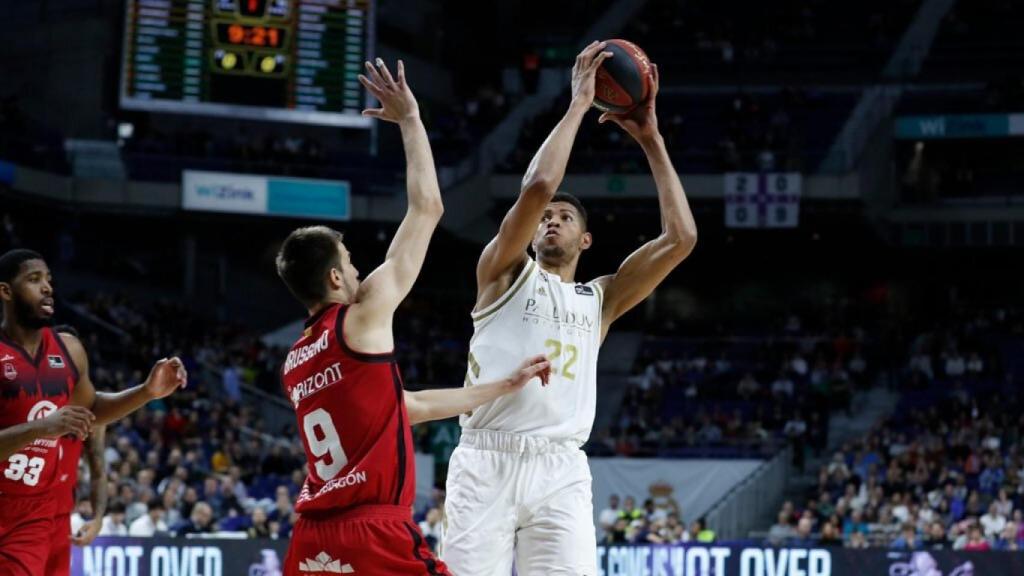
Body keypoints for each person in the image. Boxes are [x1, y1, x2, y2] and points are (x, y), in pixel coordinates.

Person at [275, 58, 552, 576]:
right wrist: (410, 120)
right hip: (372, 531)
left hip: (313, 538)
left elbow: (408, 406)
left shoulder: (295, 363)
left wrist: (500, 387)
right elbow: (427, 209)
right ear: (336, 280)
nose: (359, 271)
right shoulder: (360, 317)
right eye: (352, 264)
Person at [442, 41, 697, 575]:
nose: (551, 220)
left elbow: (681, 238)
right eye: (546, 218)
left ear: (585, 241)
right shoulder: (503, 271)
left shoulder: (600, 299)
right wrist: (579, 104)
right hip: (488, 456)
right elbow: (537, 185)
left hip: (561, 467)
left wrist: (651, 140)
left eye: (565, 217)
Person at [0, 249, 186, 575]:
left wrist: (145, 392)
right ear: (5, 291)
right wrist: (41, 428)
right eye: (34, 280)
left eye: (48, 280)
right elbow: (49, 426)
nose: (47, 287)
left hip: (49, 512)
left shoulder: (69, 348)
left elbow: (93, 411)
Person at [46, 324, 108, 576]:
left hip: (60, 524)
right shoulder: (28, 397)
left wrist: (97, 518)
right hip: (17, 517)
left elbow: (98, 470)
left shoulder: (91, 411)